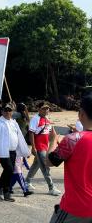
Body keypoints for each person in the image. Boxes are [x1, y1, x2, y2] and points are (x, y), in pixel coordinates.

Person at [47, 94, 92, 222]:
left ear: (81, 113)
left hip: (76, 209)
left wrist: (53, 140)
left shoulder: (73, 139)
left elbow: (49, 162)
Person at [0, 103, 30, 202]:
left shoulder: (13, 122)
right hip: (3, 151)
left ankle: (5, 193)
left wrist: (23, 150)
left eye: (9, 110)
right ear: (2, 111)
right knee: (9, 169)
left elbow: (19, 137)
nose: (7, 112)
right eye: (5, 110)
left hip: (13, 151)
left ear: (12, 112)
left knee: (9, 171)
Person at [25, 102, 61, 196]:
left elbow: (52, 132)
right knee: (45, 167)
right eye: (44, 109)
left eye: (47, 109)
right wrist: (33, 147)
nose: (46, 110)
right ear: (39, 109)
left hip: (45, 146)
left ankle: (27, 182)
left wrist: (58, 142)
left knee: (36, 165)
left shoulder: (47, 119)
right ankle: (51, 187)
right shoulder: (35, 119)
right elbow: (31, 133)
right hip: (39, 147)